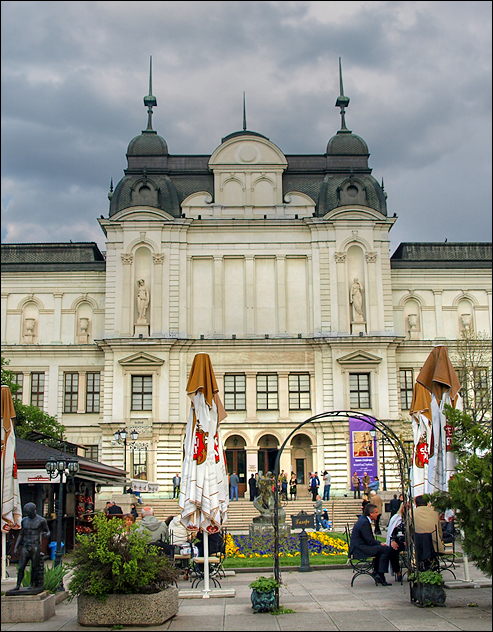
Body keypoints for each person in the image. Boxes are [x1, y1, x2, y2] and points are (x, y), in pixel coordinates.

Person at [349, 503, 398, 586]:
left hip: (361, 546)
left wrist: (379, 544)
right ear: (371, 514)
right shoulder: (364, 522)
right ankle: (380, 574)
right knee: (386, 549)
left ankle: (377, 572)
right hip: (359, 549)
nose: (378, 514)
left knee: (382, 548)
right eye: (376, 512)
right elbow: (369, 541)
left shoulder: (364, 520)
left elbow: (369, 540)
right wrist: (380, 544)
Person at [13, 502, 50, 591]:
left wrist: (46, 534)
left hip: (35, 545)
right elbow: (21, 534)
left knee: (34, 566)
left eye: (29, 512)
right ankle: (18, 585)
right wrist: (16, 546)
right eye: (26, 512)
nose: (27, 514)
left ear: (34, 511)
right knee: (21, 566)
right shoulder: (24, 520)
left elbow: (47, 531)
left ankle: (32, 584)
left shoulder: (41, 520)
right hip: (26, 545)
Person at [413, 495, 445, 570]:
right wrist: (440, 539)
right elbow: (439, 529)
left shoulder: (412, 512)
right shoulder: (434, 512)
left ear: (416, 504)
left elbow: (409, 529)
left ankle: (421, 568)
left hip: (419, 543)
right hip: (434, 543)